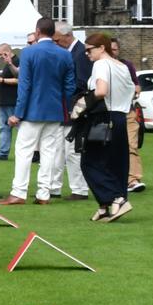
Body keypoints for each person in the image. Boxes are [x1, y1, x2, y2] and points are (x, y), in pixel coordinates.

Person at [0, 17, 75, 206]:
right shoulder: (65, 54)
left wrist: (18, 113)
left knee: (24, 151)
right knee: (49, 153)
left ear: (38, 31)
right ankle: (44, 194)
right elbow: (70, 87)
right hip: (55, 111)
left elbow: (24, 85)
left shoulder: (28, 52)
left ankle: (18, 192)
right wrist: (64, 107)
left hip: (33, 111)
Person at [79, 34, 133, 222]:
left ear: (102, 48)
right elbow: (132, 91)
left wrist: (80, 106)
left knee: (89, 162)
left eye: (89, 49)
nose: (87, 54)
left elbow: (101, 91)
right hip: (119, 117)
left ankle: (117, 198)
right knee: (114, 163)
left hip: (104, 116)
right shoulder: (123, 66)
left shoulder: (101, 64)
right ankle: (105, 206)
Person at [52, 22, 91, 201]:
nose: (56, 43)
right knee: (58, 150)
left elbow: (82, 83)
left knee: (72, 151)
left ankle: (80, 189)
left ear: (67, 36)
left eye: (58, 40)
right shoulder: (70, 52)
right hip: (63, 108)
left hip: (74, 109)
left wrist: (59, 87)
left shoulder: (81, 54)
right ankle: (54, 187)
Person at [109, 38, 145, 193]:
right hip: (107, 113)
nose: (112, 52)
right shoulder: (99, 66)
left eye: (115, 49)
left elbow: (137, 87)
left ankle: (133, 179)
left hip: (127, 112)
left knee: (131, 145)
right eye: (109, 49)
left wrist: (131, 92)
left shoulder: (126, 65)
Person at [0, 43, 18, 160]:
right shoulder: (7, 64)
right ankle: (2, 153)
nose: (1, 57)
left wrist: (1, 79)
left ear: (8, 51)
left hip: (12, 100)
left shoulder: (17, 62)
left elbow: (19, 80)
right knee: (3, 128)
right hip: (4, 100)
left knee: (19, 128)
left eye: (2, 54)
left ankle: (27, 153)